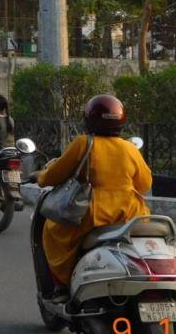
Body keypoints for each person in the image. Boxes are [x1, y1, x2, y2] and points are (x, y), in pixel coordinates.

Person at [32, 94, 152, 299]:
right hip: (131, 214)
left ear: (89, 119)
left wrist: (41, 176)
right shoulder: (129, 149)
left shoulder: (83, 144)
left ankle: (61, 286)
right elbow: (145, 184)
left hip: (93, 215)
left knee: (51, 233)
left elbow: (53, 175)